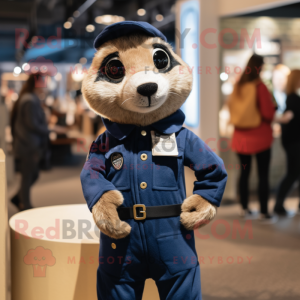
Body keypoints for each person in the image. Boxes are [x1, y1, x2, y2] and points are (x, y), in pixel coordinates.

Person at [230, 54, 276, 222]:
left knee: (244, 173)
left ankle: (244, 208)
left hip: (240, 138)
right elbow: (267, 113)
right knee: (263, 174)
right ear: (260, 67)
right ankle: (264, 211)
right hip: (260, 137)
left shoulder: (238, 85)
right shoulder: (260, 87)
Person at [10, 74, 50, 210]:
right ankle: (24, 206)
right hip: (28, 145)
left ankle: (18, 198)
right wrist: (48, 130)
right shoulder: (29, 100)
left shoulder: (29, 98)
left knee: (32, 174)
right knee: (28, 176)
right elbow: (32, 124)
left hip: (27, 144)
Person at [274, 69, 300, 215]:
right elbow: (288, 120)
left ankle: (279, 203)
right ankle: (278, 203)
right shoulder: (293, 99)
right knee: (293, 173)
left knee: (295, 172)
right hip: (294, 142)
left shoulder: (291, 98)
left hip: (292, 142)